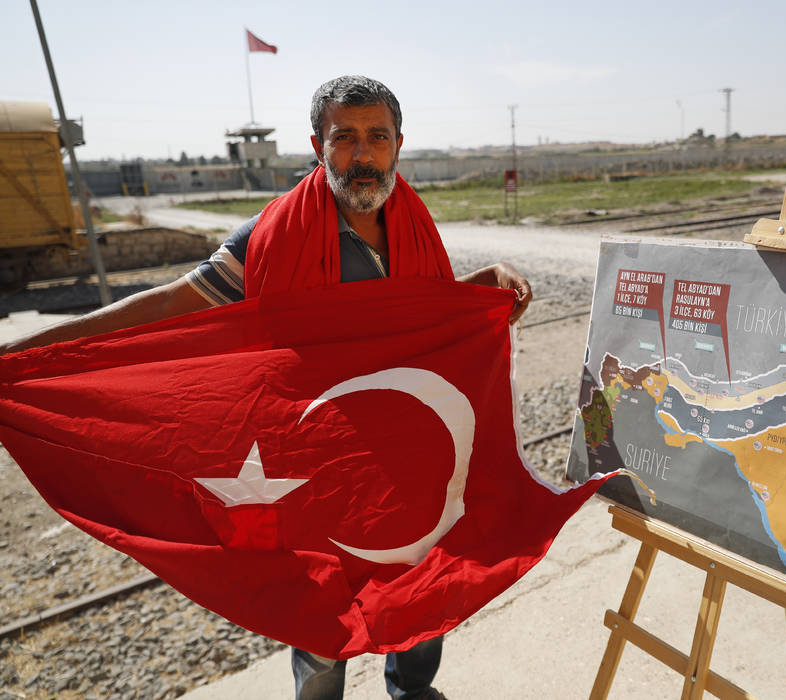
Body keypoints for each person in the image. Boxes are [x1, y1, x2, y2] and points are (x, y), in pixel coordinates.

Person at [0, 75, 532, 700]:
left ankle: (413, 691)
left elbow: (409, 318)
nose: (362, 155)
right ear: (317, 145)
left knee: (417, 577)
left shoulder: (415, 226)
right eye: (345, 139)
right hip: (313, 457)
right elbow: (175, 303)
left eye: (377, 138)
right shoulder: (273, 237)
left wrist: (479, 289)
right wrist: (27, 352)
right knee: (318, 610)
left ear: (399, 144)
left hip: (404, 455)